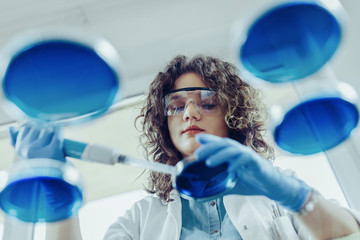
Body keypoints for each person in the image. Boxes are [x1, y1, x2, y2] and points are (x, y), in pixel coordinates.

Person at [9, 55, 360, 240]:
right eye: (177, 105)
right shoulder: (142, 219)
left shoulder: (275, 191)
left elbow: (346, 234)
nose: (190, 111)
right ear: (166, 124)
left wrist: (290, 193)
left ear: (232, 114)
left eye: (206, 101)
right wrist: (57, 198)